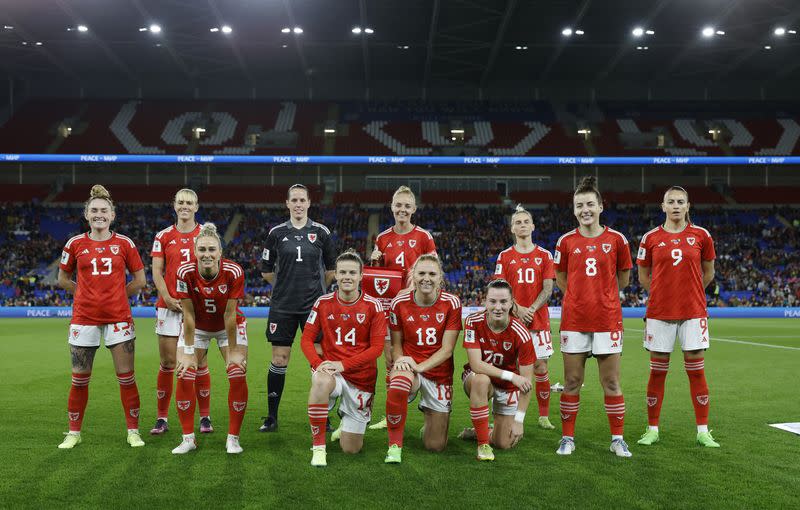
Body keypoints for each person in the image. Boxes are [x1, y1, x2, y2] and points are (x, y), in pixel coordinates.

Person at [56, 184, 147, 449]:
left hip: (118, 318)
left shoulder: (124, 243)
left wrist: (117, 295)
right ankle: (73, 432)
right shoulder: (74, 243)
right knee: (79, 379)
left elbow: (140, 280)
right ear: (87, 214)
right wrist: (83, 293)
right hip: (84, 319)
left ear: (112, 215)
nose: (99, 214)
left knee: (126, 377)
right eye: (94, 210)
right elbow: (62, 278)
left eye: (103, 211)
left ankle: (133, 431)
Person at [554, 175, 633, 458]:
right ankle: (567, 438)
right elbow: (560, 277)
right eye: (579, 205)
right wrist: (579, 296)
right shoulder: (565, 242)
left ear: (600, 206)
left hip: (607, 320)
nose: (584, 209)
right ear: (573, 209)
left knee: (610, 382)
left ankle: (617, 439)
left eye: (589, 204)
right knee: (572, 381)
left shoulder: (617, 240)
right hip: (574, 320)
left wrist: (603, 296)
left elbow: (623, 278)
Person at [636, 186, 719, 448]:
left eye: (680, 201)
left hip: (693, 312)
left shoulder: (701, 236)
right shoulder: (650, 238)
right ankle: (652, 429)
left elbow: (709, 272)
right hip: (659, 314)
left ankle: (703, 431)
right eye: (670, 201)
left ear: (687, 206)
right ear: (662, 207)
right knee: (657, 373)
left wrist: (689, 293)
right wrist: (663, 295)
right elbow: (643, 276)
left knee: (696, 372)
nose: (675, 205)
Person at [259, 184, 336, 432]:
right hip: (283, 306)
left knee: (318, 359)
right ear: (288, 203)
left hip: (314, 307)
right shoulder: (276, 233)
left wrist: (315, 291)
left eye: (302, 200)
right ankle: (271, 417)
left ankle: (322, 416)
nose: (299, 204)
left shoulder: (322, 232)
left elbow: (331, 271)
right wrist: (285, 287)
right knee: (280, 359)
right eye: (294, 200)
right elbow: (266, 271)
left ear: (309, 203)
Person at [300, 250, 387, 467]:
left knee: (351, 449)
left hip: (361, 378)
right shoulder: (322, 303)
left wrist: (344, 364)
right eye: (342, 272)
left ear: (361, 276)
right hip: (331, 372)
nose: (347, 276)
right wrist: (319, 364)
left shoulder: (373, 306)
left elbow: (377, 349)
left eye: (352, 272)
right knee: (320, 380)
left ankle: (346, 417)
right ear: (336, 276)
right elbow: (306, 340)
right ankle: (318, 447)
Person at [171, 223, 249, 454]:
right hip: (198, 327)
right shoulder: (184, 272)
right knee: (185, 372)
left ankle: (233, 438)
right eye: (202, 250)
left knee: (236, 371)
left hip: (228, 327)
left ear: (220, 252)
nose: (207, 254)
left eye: (211, 250)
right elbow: (188, 313)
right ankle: (188, 439)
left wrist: (234, 349)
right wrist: (186, 349)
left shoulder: (234, 272)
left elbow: (230, 313)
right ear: (195, 252)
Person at [367, 185, 437, 431]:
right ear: (392, 207)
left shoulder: (424, 237)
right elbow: (378, 278)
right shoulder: (383, 238)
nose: (403, 210)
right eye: (399, 205)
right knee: (390, 360)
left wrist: (414, 290)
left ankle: (430, 409)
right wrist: (374, 261)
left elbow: (434, 269)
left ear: (414, 209)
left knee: (425, 356)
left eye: (407, 206)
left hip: (418, 307)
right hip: (391, 310)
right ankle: (391, 414)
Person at [383, 254, 462, 463]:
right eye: (421, 273)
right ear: (413, 276)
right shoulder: (399, 303)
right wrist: (401, 362)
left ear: (440, 278)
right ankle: (394, 446)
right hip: (410, 368)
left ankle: (429, 413)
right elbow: (396, 345)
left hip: (439, 374)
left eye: (432, 274)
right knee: (399, 382)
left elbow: (447, 350)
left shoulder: (452, 303)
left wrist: (419, 366)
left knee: (435, 446)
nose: (426, 278)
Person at [493, 205, 556, 430]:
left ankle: (543, 416)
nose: (522, 225)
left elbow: (548, 288)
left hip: (538, 322)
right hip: (512, 322)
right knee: (511, 369)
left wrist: (531, 309)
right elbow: (500, 287)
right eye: (517, 222)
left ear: (533, 226)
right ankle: (508, 413)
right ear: (512, 228)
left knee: (540, 367)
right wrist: (518, 309)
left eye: (525, 222)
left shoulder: (545, 255)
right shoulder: (505, 256)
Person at [460, 279, 535, 461]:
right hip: (478, 378)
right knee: (481, 379)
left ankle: (482, 431)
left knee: (504, 443)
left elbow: (526, 382)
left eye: (503, 302)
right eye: (493, 301)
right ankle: (483, 445)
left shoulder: (522, 334)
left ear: (511, 303)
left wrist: (519, 420)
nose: (498, 307)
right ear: (485, 301)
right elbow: (476, 365)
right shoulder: (473, 321)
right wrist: (511, 376)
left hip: (507, 387)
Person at [149, 188, 204, 436]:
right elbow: (157, 272)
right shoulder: (162, 236)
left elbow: (212, 268)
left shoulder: (205, 234)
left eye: (189, 203)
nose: (184, 206)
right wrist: (168, 297)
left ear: (196, 207)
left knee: (199, 363)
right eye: (180, 202)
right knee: (168, 363)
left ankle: (205, 417)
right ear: (174, 205)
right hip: (168, 307)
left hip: (197, 308)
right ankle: (162, 418)